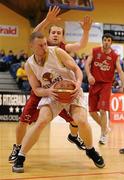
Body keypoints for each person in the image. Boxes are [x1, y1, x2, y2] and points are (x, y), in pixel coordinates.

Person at [8, 6, 92, 163]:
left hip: (62, 92)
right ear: (47, 35)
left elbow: (81, 45)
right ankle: (18, 147)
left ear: (62, 37)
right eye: (53, 32)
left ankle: (73, 136)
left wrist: (86, 31)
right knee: (24, 120)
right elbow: (34, 35)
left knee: (76, 119)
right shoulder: (40, 45)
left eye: (58, 33)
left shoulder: (62, 49)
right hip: (42, 92)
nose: (55, 34)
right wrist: (47, 20)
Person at [12, 31, 105, 173]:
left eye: (45, 44)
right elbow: (36, 89)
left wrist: (78, 83)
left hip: (72, 91)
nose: (44, 47)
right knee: (41, 121)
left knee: (81, 120)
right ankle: (21, 156)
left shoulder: (57, 52)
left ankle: (90, 150)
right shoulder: (29, 65)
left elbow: (76, 69)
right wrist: (48, 92)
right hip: (52, 94)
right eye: (40, 45)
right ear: (31, 46)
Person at [85, 33, 124, 145]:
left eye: (109, 40)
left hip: (106, 85)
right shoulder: (94, 51)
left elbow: (120, 71)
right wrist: (89, 75)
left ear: (111, 42)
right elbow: (87, 64)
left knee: (103, 110)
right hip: (94, 84)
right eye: (105, 40)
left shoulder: (115, 56)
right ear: (102, 41)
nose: (106, 42)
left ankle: (103, 134)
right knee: (92, 112)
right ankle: (105, 128)